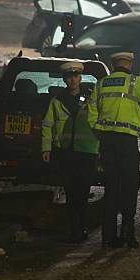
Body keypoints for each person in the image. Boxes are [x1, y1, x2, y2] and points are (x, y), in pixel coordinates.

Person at [88, 52, 140, 248]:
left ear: (113, 64)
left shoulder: (101, 83)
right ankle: (127, 232)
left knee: (111, 188)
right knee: (130, 186)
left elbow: (92, 111)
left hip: (107, 140)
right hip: (127, 141)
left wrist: (98, 132)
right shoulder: (136, 82)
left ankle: (108, 237)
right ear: (130, 64)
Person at [42, 62, 99, 243]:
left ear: (80, 77)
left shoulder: (91, 98)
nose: (72, 79)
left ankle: (80, 228)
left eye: (75, 76)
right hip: (66, 152)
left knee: (82, 193)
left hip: (87, 152)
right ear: (64, 79)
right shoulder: (57, 101)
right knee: (72, 193)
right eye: (69, 76)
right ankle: (75, 229)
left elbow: (99, 122)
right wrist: (46, 148)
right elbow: (47, 125)